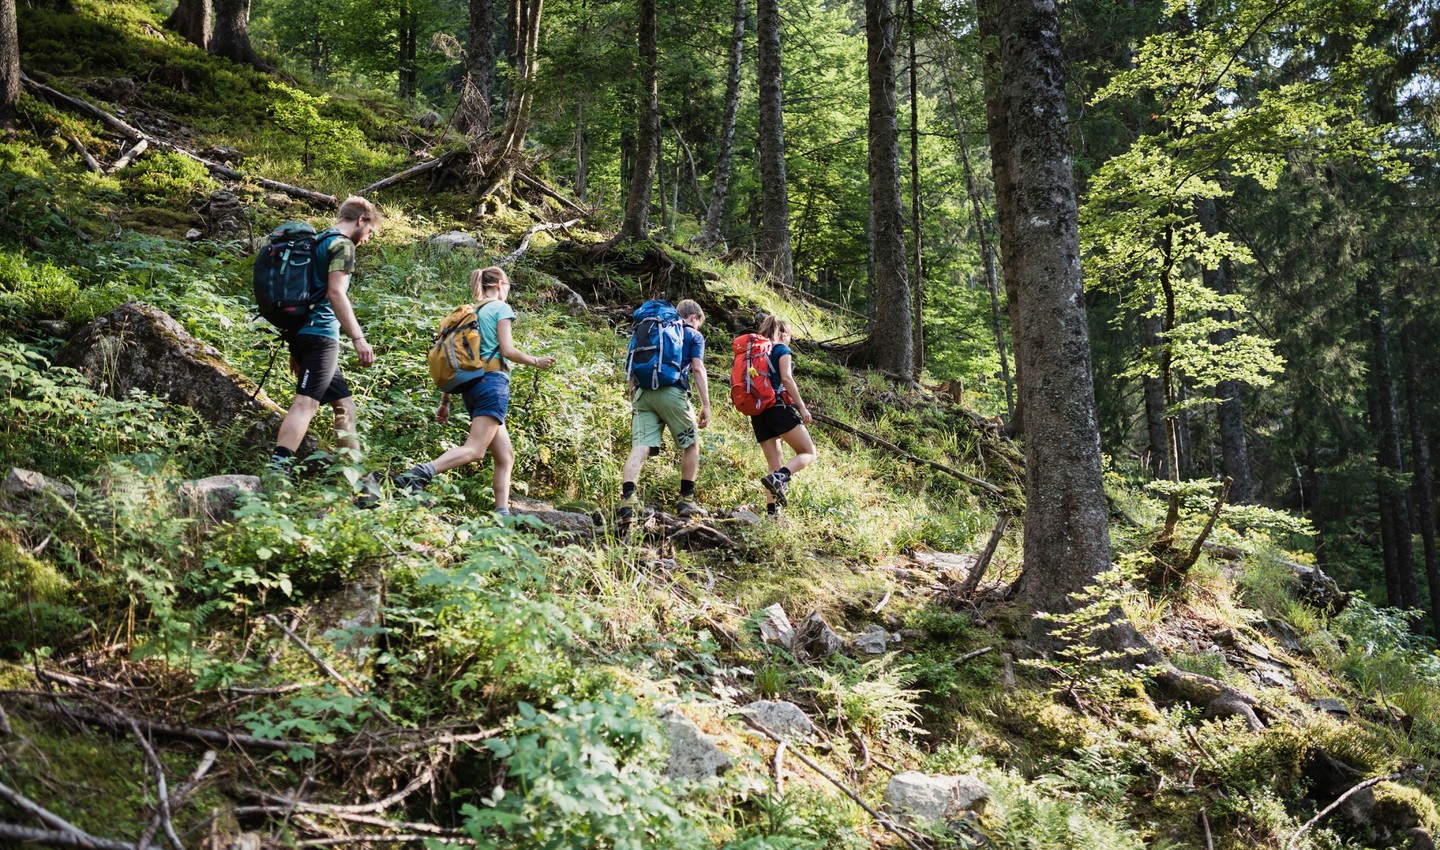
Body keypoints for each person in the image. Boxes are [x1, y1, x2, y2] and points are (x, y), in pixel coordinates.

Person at [392, 267, 555, 514]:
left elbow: (459, 358)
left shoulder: (471, 312)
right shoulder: (501, 308)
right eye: (509, 286)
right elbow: (508, 350)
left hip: (471, 387)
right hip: (493, 384)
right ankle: (416, 475)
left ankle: (502, 516)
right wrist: (535, 360)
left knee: (505, 456)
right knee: (476, 449)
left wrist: (445, 401)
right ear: (501, 284)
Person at [270, 195, 379, 472]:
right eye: (368, 232)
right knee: (306, 403)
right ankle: (277, 471)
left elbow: (304, 293)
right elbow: (335, 292)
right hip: (321, 335)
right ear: (361, 220)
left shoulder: (318, 241)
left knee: (344, 404)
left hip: (303, 332)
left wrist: (296, 348)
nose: (367, 239)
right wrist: (358, 338)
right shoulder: (342, 245)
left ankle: (359, 483)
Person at [618, 299, 711, 520]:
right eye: (698, 323)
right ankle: (687, 502)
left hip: (643, 393)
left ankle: (628, 501)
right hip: (671, 392)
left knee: (640, 447)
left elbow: (631, 368)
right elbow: (697, 369)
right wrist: (706, 405)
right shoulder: (693, 335)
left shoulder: (652, 330)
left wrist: (634, 399)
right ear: (693, 318)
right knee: (691, 444)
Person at [750, 316, 817, 516]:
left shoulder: (755, 353)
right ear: (783, 334)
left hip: (758, 411)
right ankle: (781, 477)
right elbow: (786, 378)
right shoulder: (781, 350)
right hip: (778, 408)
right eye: (789, 336)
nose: (789, 340)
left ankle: (772, 513)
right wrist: (802, 407)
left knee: (774, 463)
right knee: (808, 452)